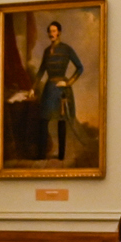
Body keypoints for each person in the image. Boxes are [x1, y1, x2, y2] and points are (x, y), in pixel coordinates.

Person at [33, 20, 84, 161]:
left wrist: (68, 82)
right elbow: (41, 71)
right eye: (50, 31)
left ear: (59, 32)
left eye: (54, 31)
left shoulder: (67, 49)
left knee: (61, 121)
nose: (51, 34)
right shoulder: (46, 51)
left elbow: (80, 68)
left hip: (61, 90)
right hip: (49, 89)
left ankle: (61, 155)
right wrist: (33, 88)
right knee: (43, 120)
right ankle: (42, 155)